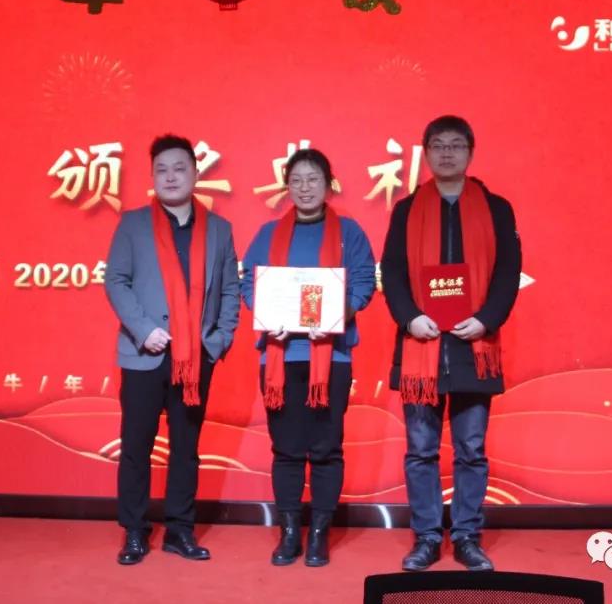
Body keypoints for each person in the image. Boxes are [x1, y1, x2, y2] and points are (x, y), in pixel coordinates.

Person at [380, 115, 522, 572]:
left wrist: (486, 320)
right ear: (425, 153)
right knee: (421, 450)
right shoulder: (406, 210)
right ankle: (426, 537)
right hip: (421, 345)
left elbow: (508, 272)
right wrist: (410, 317)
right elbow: (393, 271)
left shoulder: (497, 209)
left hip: (472, 346)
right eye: (438, 145)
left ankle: (466, 537)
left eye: (455, 145)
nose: (446, 153)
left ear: (470, 153)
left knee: (471, 450)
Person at [104, 134, 240, 566]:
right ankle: (134, 531)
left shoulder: (219, 230)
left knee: (186, 447)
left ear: (196, 174)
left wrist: (216, 341)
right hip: (144, 355)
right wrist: (144, 330)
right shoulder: (133, 224)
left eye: (179, 168)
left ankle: (180, 530)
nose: (170, 177)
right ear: (152, 177)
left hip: (196, 359)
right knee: (136, 446)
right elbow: (116, 281)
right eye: (161, 170)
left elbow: (231, 290)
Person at [241, 149, 376, 567]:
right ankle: (288, 534)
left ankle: (318, 534)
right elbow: (249, 283)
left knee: (326, 448)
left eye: (313, 179)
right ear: (286, 186)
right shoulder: (268, 234)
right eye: (296, 180)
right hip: (280, 358)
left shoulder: (349, 233)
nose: (304, 188)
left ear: (328, 184)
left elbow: (364, 283)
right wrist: (267, 317)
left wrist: (338, 316)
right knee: (286, 449)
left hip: (331, 359)